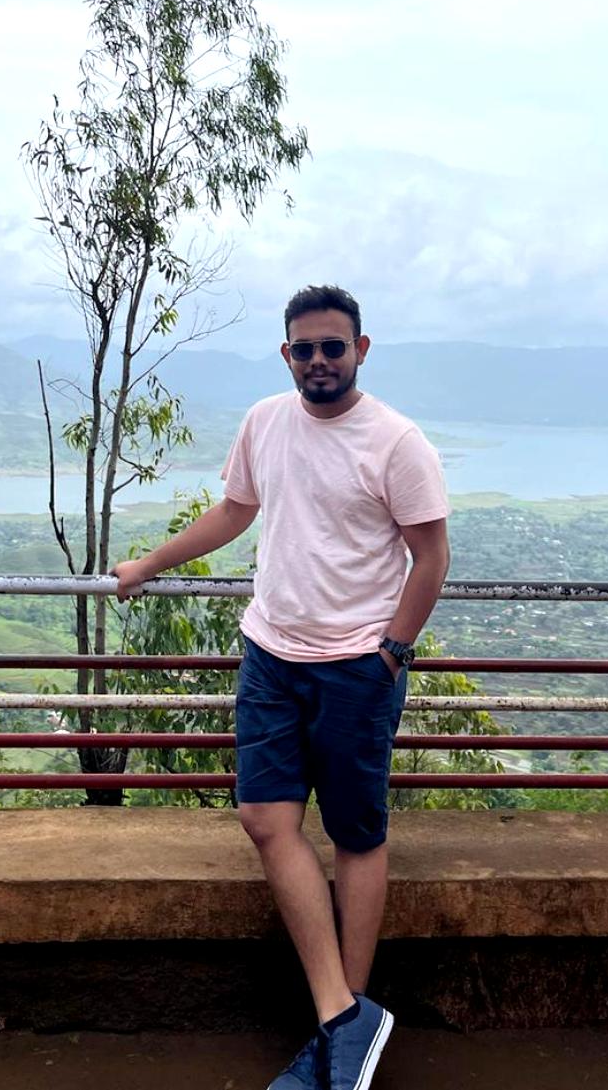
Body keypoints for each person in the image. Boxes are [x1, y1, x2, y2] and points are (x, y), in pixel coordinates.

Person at [112, 284, 450, 1090]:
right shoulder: (265, 420)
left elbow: (430, 556)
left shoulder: (396, 441)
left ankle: (340, 1036)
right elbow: (234, 511)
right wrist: (149, 562)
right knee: (265, 818)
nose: (318, 360)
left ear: (359, 349)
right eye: (304, 348)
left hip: (356, 665)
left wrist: (391, 652)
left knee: (355, 833)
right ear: (286, 354)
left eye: (333, 346)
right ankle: (343, 1019)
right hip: (270, 653)